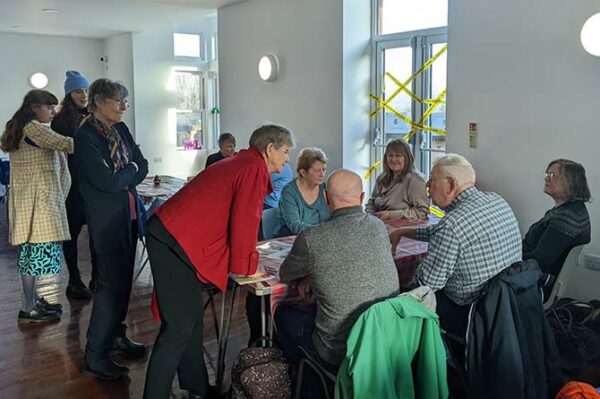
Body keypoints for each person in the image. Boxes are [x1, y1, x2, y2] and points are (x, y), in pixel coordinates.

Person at [143, 124, 295, 399]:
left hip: (173, 237)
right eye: (285, 152)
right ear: (269, 149)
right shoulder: (253, 168)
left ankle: (198, 389)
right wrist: (247, 267)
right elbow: (244, 222)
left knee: (190, 321)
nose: (287, 160)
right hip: (174, 240)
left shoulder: (243, 161)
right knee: (177, 327)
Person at [276, 169, 400, 371]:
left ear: (325, 197)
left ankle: (308, 380)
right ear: (361, 197)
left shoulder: (311, 237)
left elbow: (286, 274)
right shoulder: (378, 226)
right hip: (387, 339)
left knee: (283, 314)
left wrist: (311, 274)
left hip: (339, 349)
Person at [389, 154, 521, 338]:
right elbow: (451, 233)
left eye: (432, 181)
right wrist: (403, 232)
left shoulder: (451, 226)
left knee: (400, 296)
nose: (428, 189)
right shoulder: (496, 200)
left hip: (470, 312)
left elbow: (426, 285)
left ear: (450, 184)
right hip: (507, 303)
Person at [75, 79, 149, 380]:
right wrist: (129, 171)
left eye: (125, 101)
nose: (124, 106)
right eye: (119, 100)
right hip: (106, 221)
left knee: (123, 283)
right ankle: (95, 355)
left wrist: (127, 173)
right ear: (100, 101)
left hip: (128, 216)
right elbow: (108, 182)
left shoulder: (121, 130)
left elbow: (142, 164)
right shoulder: (86, 136)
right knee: (108, 287)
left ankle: (116, 336)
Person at [1, 90, 73, 324]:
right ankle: (28, 308)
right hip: (38, 201)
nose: (52, 112)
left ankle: (32, 301)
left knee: (30, 255)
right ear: (34, 107)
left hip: (30, 199)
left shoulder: (22, 126)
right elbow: (68, 144)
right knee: (35, 256)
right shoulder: (34, 128)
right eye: (48, 107)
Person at [51, 70, 95, 300]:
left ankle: (97, 277)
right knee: (72, 235)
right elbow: (67, 148)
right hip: (71, 185)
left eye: (86, 90)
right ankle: (74, 280)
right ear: (69, 94)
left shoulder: (95, 115)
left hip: (93, 184)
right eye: (79, 91)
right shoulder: (59, 121)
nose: (84, 95)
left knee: (97, 233)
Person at [523, 159, 591, 295]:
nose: (547, 179)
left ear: (571, 182)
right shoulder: (574, 209)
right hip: (536, 274)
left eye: (553, 176)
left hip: (537, 282)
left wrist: (510, 257)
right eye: (547, 174)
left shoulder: (565, 218)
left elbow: (540, 261)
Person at [365, 139, 429, 220]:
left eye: (398, 156)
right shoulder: (381, 178)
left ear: (407, 158)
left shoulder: (415, 180)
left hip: (403, 230)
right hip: (378, 226)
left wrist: (390, 215)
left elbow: (422, 212)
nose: (393, 160)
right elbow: (372, 202)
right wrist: (370, 216)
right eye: (390, 155)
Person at [276, 147, 330, 236]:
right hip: (294, 240)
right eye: (317, 171)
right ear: (303, 172)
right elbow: (295, 226)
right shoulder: (289, 192)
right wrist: (323, 233)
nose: (322, 174)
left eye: (324, 169)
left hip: (320, 239)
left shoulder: (325, 188)